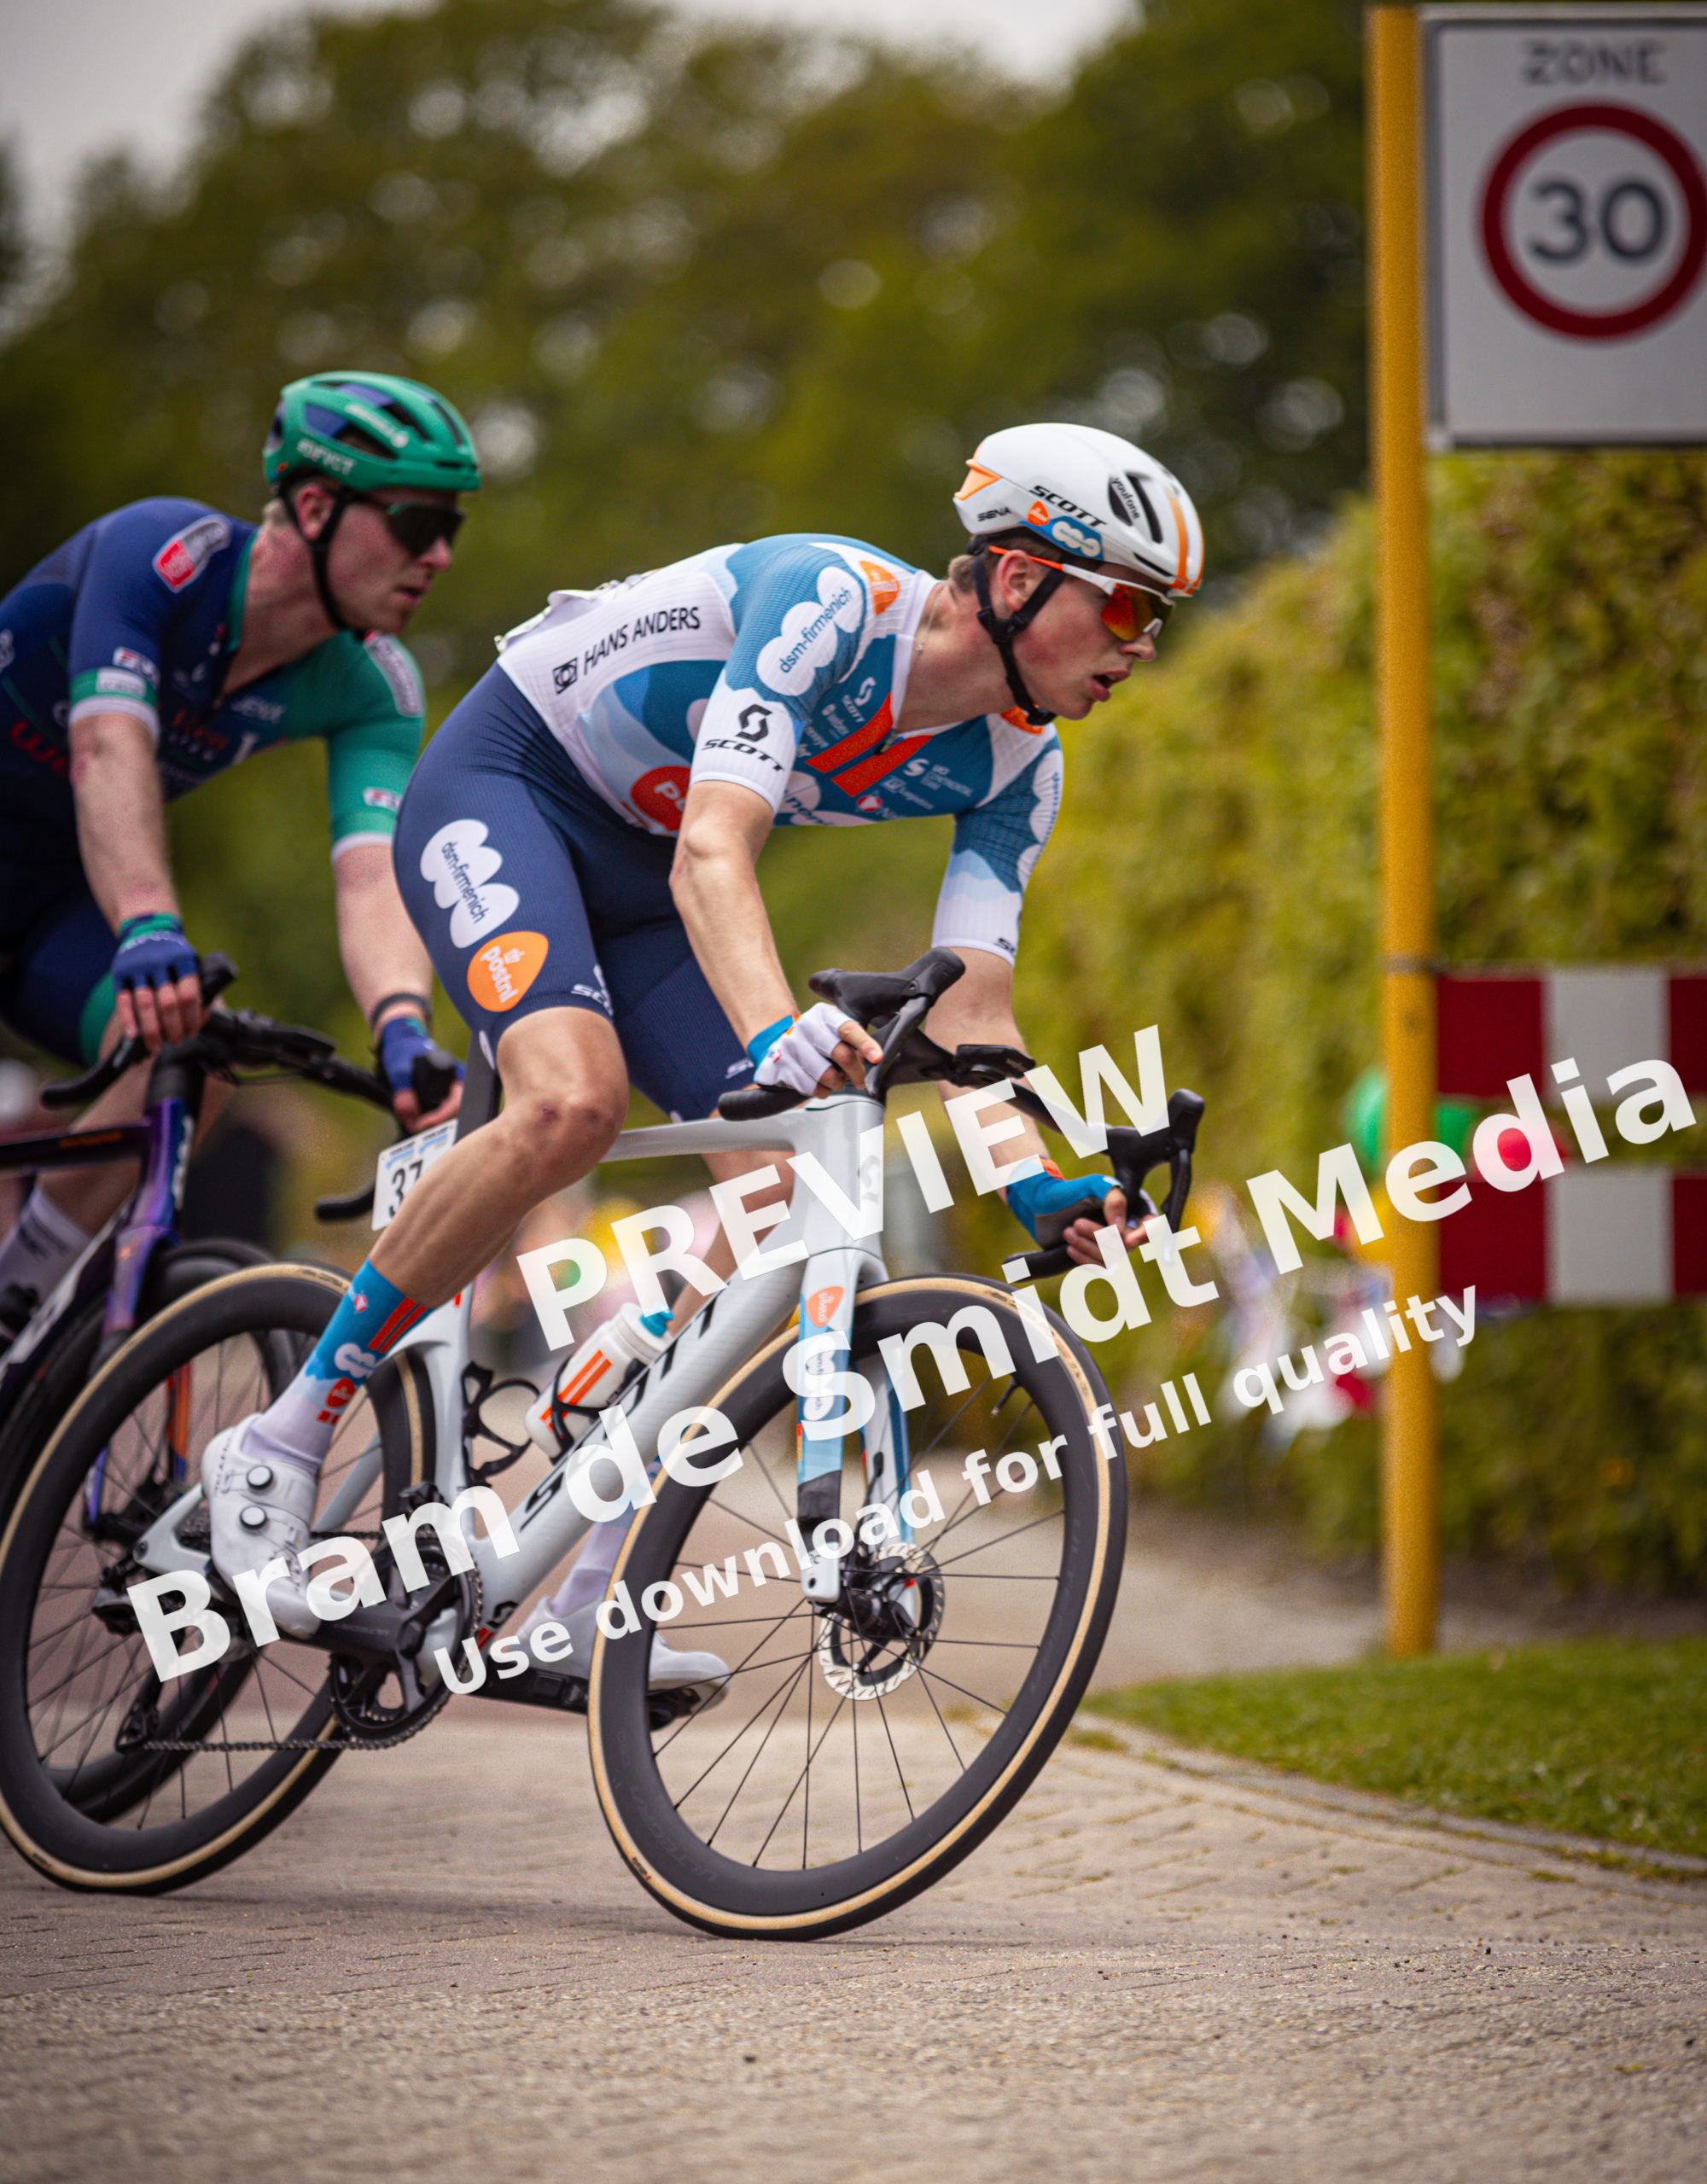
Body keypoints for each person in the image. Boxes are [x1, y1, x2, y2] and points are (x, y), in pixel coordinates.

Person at [201, 422, 1203, 1689]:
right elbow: (713, 851)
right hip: (514, 791)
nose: (1140, 645)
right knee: (572, 1104)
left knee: (793, 1195)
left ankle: (573, 1587)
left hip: (637, 891)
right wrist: (778, 1030)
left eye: (1155, 620)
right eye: (1124, 606)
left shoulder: (1020, 762)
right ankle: (282, 1443)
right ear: (1016, 579)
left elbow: (977, 1010)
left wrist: (1036, 1184)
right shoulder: (832, 602)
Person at [0, 370, 476, 1337]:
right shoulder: (164, 555)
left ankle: (17, 1302)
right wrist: (147, 925)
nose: (439, 555)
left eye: (451, 529)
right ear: (313, 504)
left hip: (42, 904)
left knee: (192, 1048)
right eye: (417, 520)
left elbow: (370, 867)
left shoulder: (373, 683)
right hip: (80, 877)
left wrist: (400, 1027)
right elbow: (106, 742)